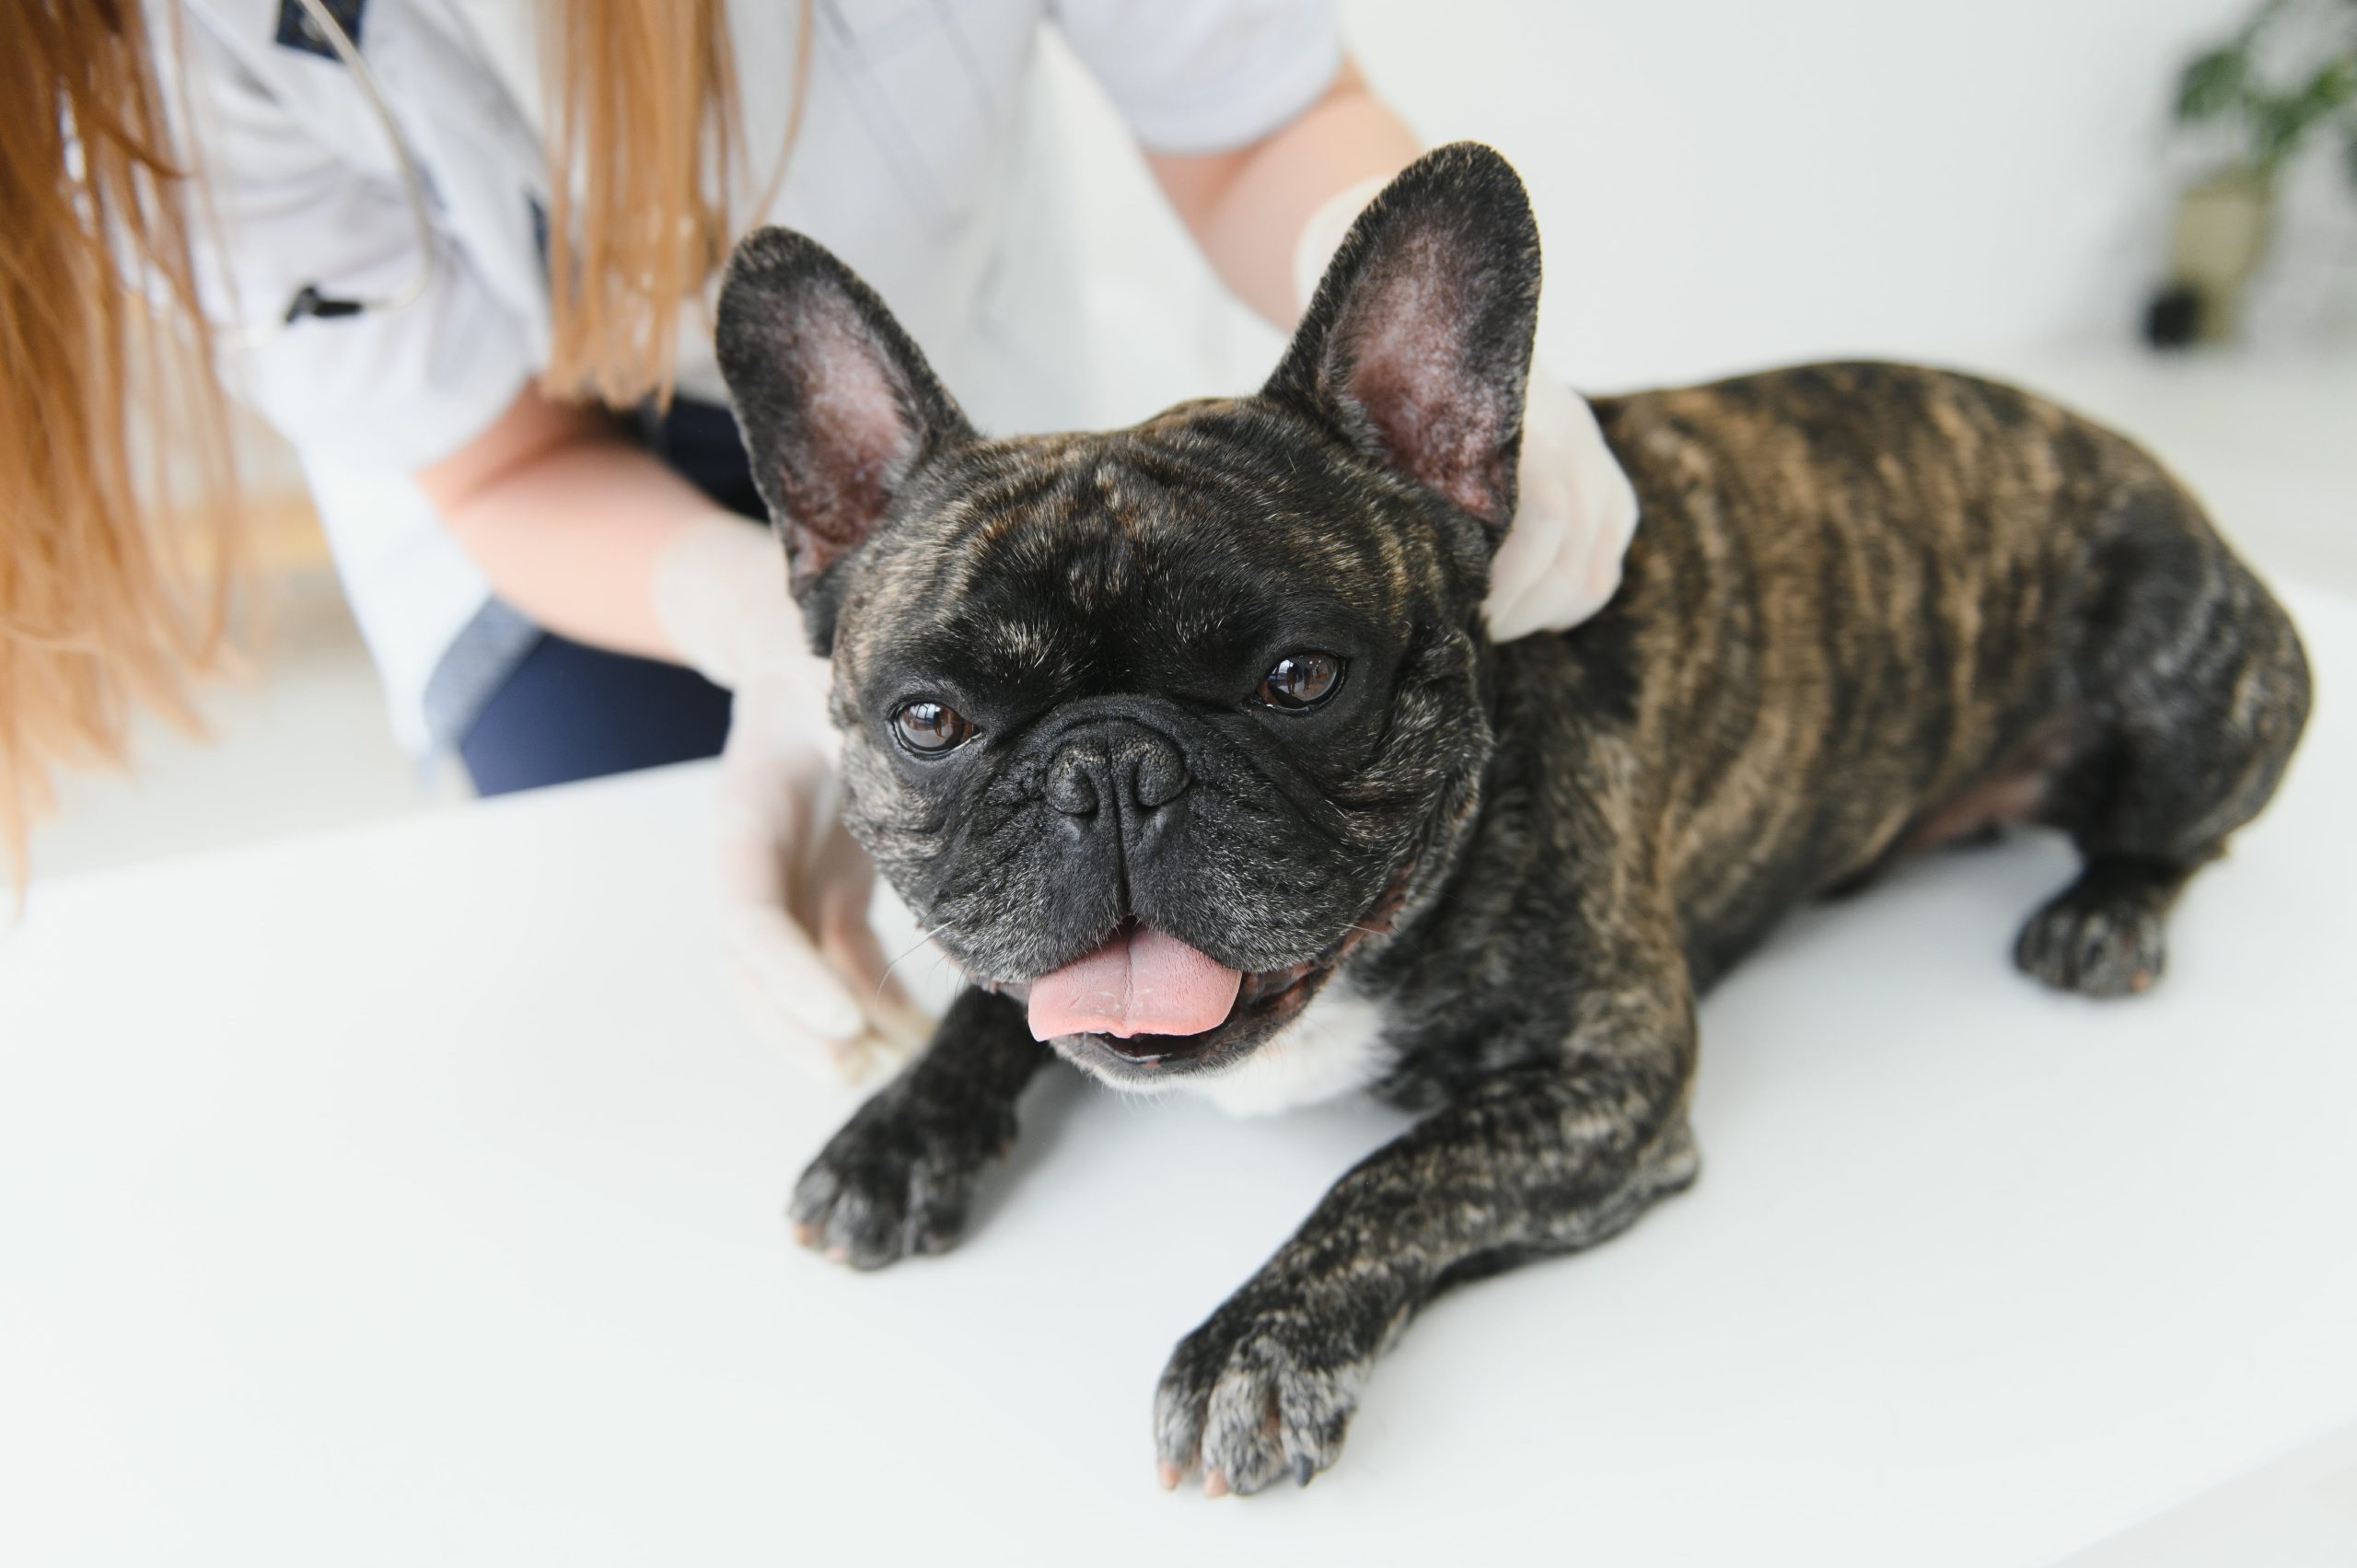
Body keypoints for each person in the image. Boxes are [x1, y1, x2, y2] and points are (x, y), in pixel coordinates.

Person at [4, 0, 1637, 1078]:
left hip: (946, 404)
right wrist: (751, 618)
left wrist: (1433, 414)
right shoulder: (159, 54)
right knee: (641, 974)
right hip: (543, 488)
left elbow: (1253, 117)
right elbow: (499, 460)